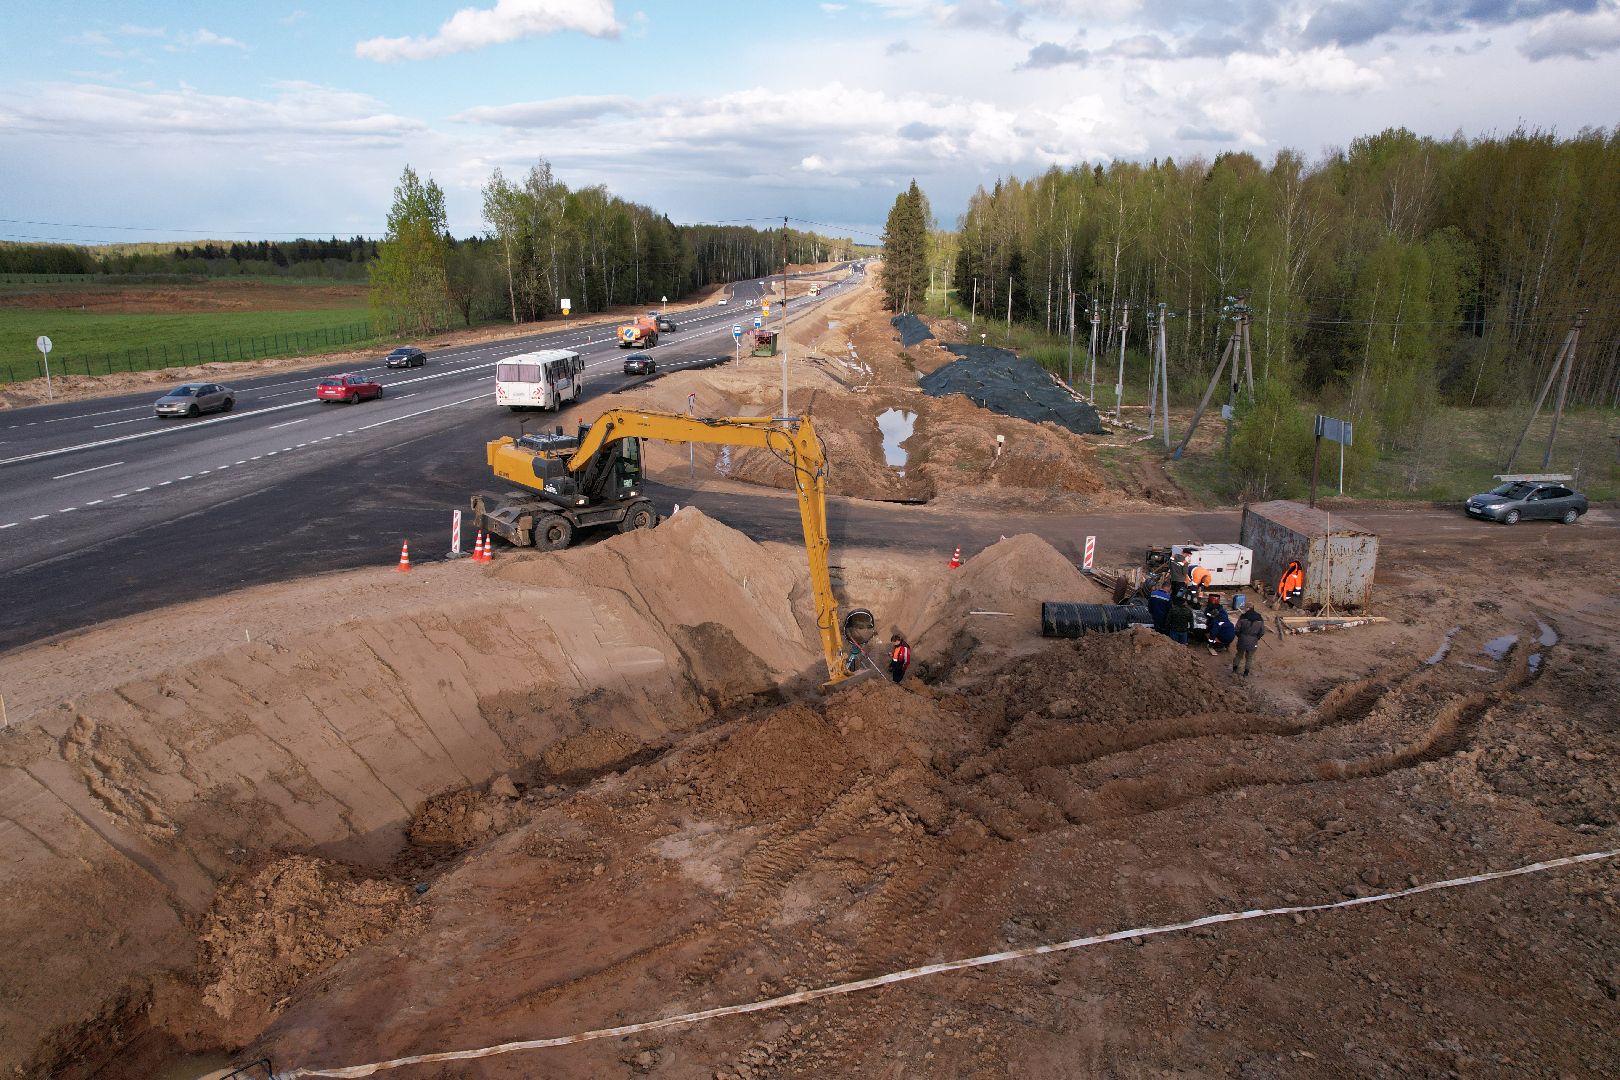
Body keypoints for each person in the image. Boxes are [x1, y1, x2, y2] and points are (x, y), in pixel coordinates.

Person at [1233, 606, 1266, 675]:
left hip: (1242, 640)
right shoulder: (1260, 618)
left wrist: (1240, 637)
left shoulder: (1243, 617)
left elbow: (1236, 629)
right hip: (1253, 641)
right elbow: (1262, 632)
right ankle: (1246, 673)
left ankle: (1234, 670)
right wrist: (1256, 638)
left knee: (1239, 655)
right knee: (1249, 657)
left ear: (1248, 609)